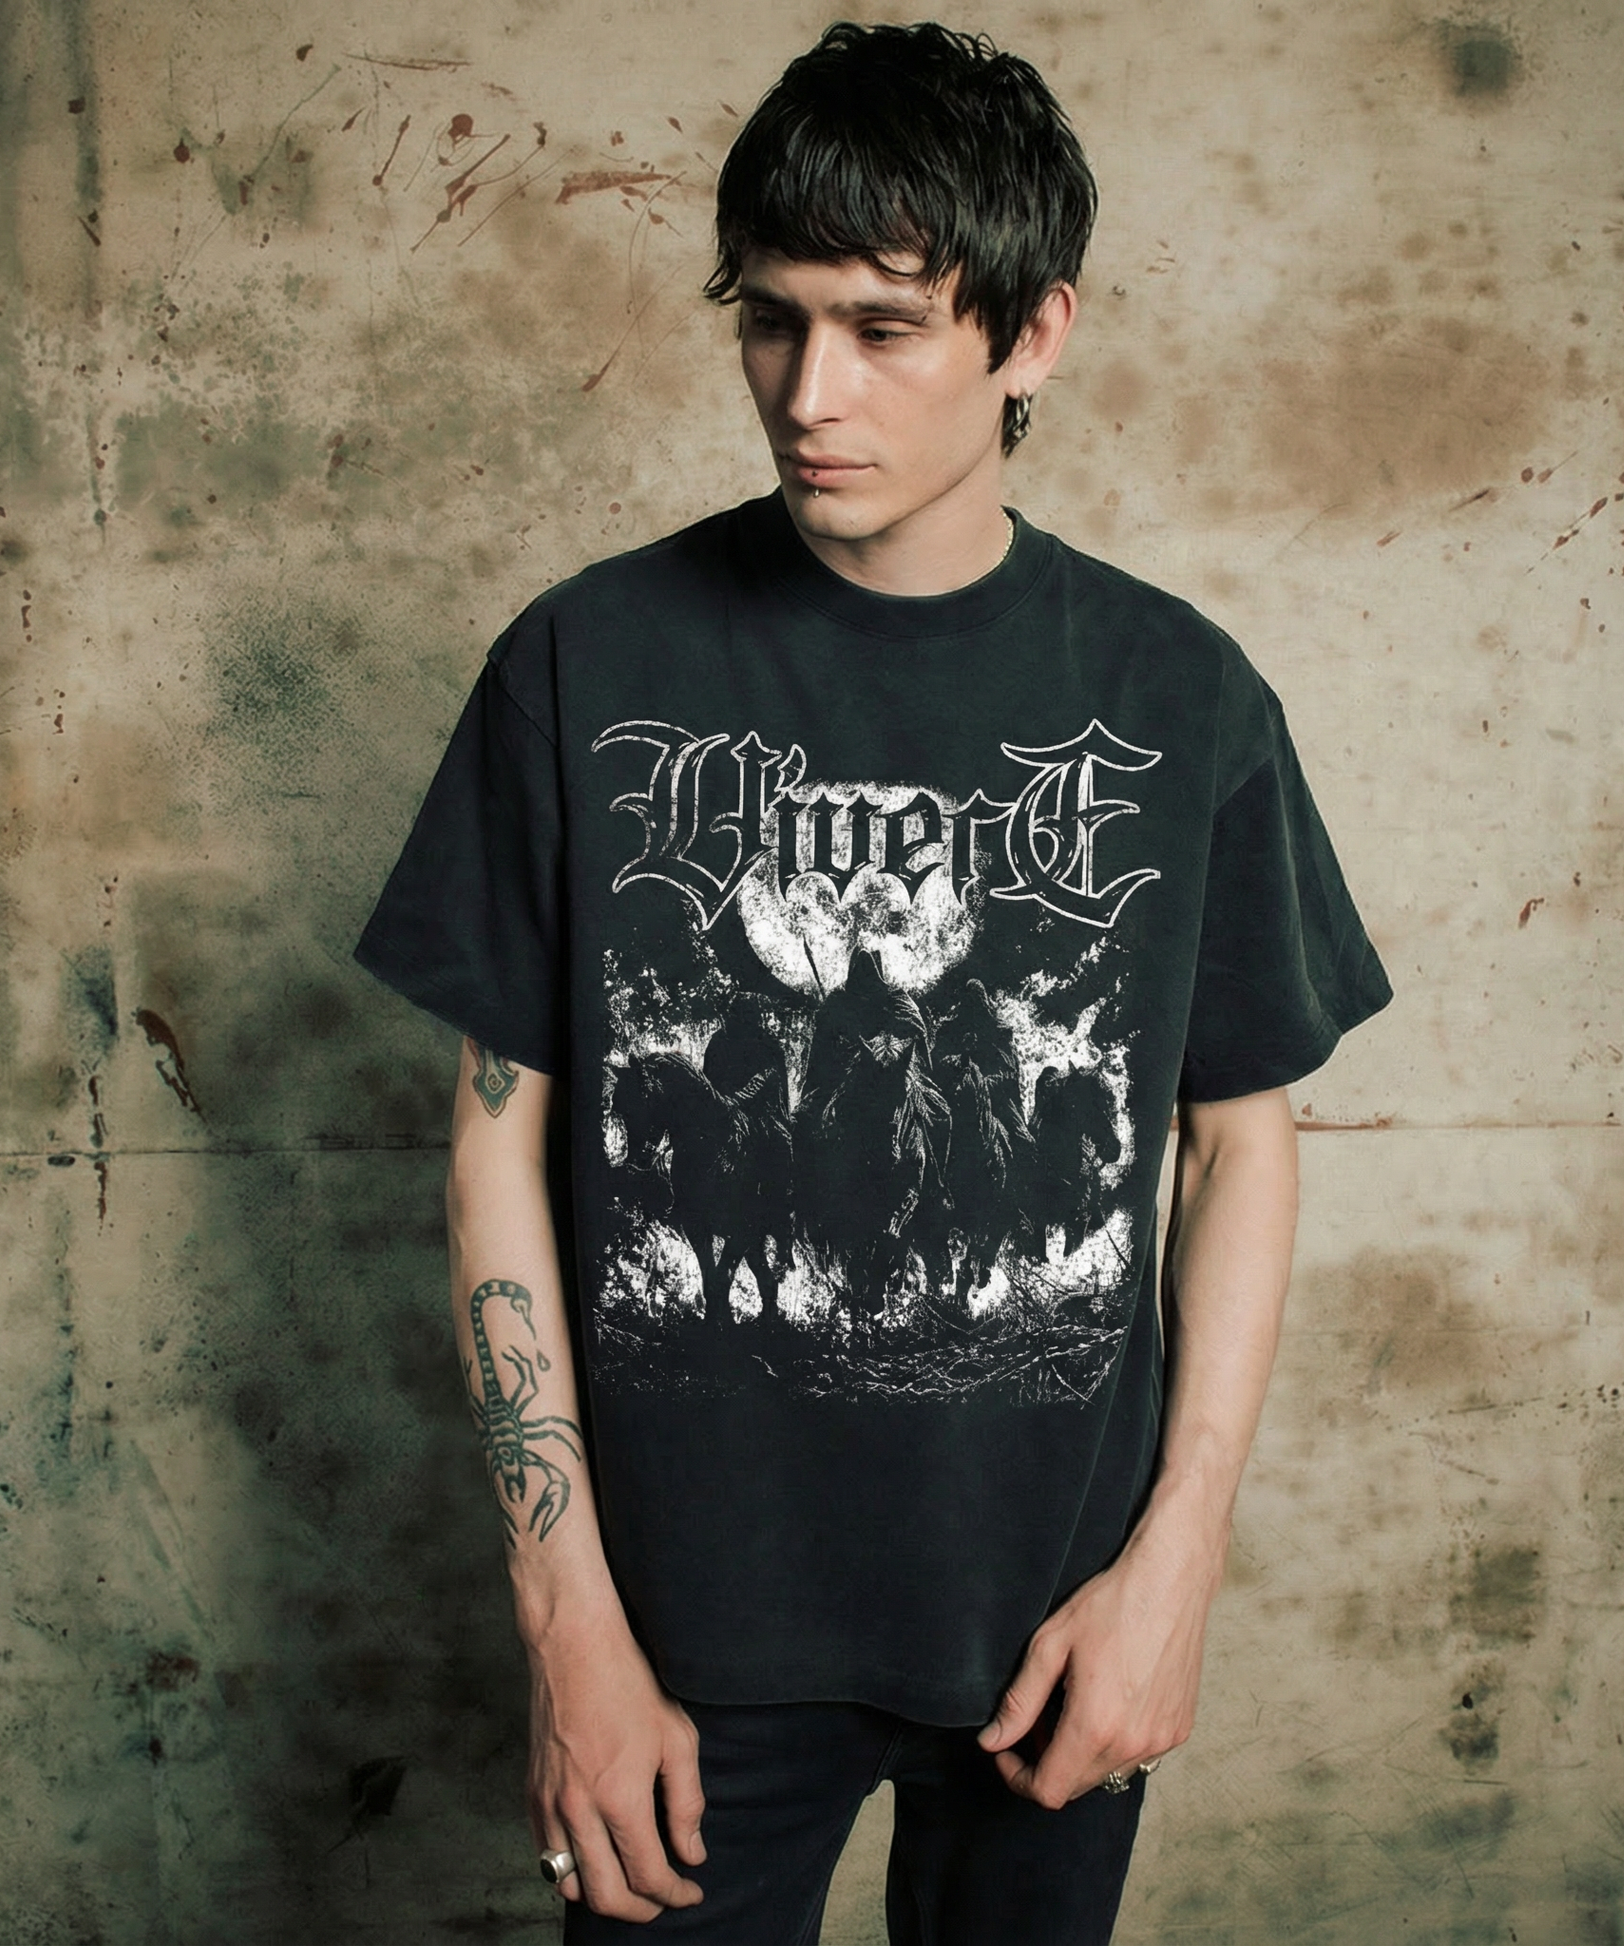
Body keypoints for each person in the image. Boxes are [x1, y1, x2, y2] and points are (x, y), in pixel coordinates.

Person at [354, 21, 1391, 1943]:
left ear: (1033, 335)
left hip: (1052, 1624)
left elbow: (1236, 1142)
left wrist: (1175, 1566)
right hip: (678, 1647)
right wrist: (568, 1624)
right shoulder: (587, 663)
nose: (807, 392)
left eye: (883, 327)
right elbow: (496, 1145)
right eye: (769, 320)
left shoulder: (1177, 695)